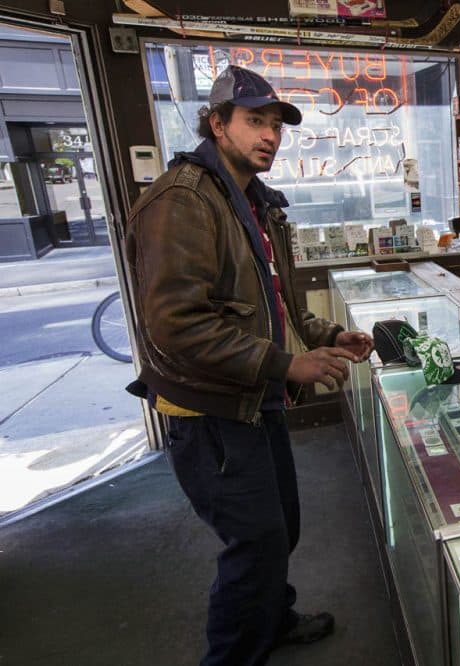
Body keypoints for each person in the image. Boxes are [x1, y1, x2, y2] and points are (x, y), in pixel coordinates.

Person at [125, 65, 374, 665]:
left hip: (252, 399)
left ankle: (273, 617)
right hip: (209, 410)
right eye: (254, 120)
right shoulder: (184, 200)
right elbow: (177, 328)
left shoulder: (254, 202)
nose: (269, 135)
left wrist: (329, 333)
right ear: (217, 124)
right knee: (254, 541)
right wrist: (288, 366)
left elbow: (273, 302)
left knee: (278, 527)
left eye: (275, 124)